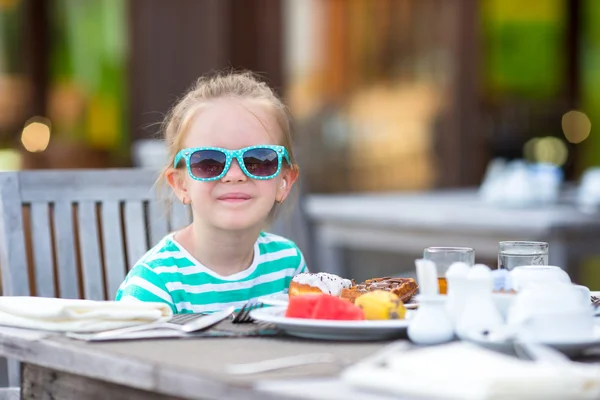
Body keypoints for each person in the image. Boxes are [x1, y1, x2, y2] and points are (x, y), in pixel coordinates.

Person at [116, 71, 307, 313]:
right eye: (209, 161)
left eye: (259, 159)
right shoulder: (155, 285)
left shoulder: (288, 265)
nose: (234, 175)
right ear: (181, 185)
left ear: (284, 181)